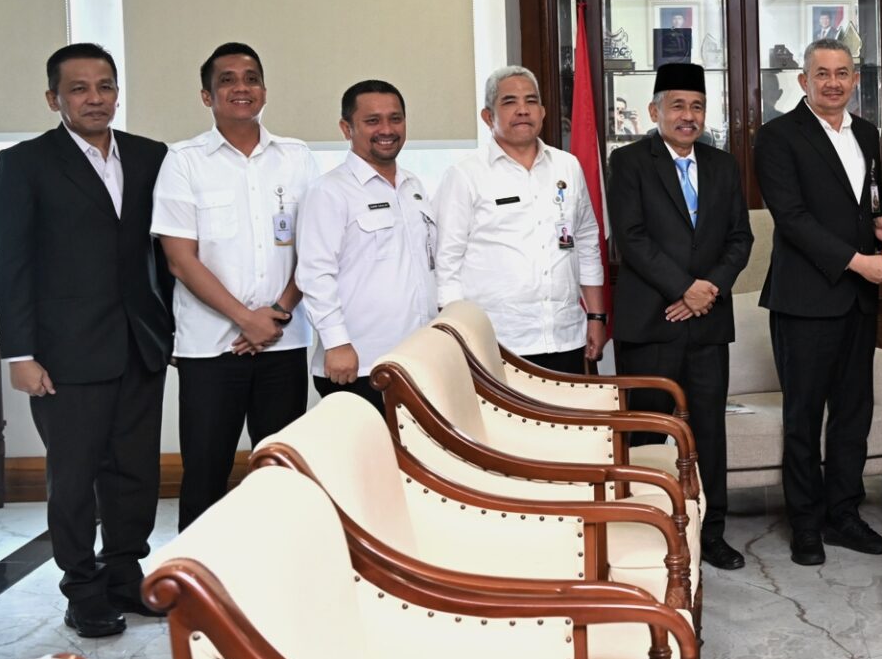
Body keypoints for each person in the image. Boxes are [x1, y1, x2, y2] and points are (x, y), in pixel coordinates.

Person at [0, 44, 173, 638]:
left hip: (139, 345)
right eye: (79, 89)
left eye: (105, 86)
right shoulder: (24, 163)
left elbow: (165, 252)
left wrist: (166, 329)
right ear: (54, 99)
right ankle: (82, 588)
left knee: (135, 472)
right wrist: (20, 354)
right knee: (73, 478)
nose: (95, 99)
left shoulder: (150, 156)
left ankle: (124, 574)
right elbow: (10, 264)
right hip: (64, 354)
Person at [153, 43, 317, 531]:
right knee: (206, 470)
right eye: (227, 80)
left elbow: (316, 247)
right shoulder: (183, 161)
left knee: (281, 469)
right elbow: (180, 260)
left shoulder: (297, 158)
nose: (241, 87)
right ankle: (197, 573)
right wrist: (246, 319)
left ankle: (278, 565)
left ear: (264, 90)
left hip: (283, 342)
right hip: (211, 349)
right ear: (207, 96)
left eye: (251, 78)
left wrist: (276, 315)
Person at [756, 39, 882, 565]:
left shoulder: (867, 133)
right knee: (802, 416)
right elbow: (793, 220)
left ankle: (844, 514)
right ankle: (805, 523)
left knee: (852, 414)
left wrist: (880, 224)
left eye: (842, 73)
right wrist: (859, 261)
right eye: (822, 74)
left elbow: (867, 203)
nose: (833, 83)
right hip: (805, 298)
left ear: (855, 80)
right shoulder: (777, 137)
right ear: (804, 81)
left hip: (858, 300)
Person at [605, 63, 753, 570]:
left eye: (697, 106)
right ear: (655, 111)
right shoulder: (628, 162)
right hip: (652, 323)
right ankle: (651, 534)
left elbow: (740, 238)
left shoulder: (722, 165)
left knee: (708, 433)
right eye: (677, 106)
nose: (688, 116)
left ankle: (712, 533)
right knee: (649, 433)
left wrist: (706, 290)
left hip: (708, 323)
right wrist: (684, 288)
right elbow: (631, 238)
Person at [433, 65, 607, 375]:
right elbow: (447, 261)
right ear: (488, 116)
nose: (523, 110)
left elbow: (586, 242)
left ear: (543, 112)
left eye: (531, 101)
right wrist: (455, 334)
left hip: (566, 335)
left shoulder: (567, 167)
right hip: (497, 342)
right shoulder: (465, 175)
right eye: (510, 101)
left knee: (570, 407)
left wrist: (596, 316)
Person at [295, 81, 437, 407]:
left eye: (395, 119)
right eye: (372, 121)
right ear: (347, 128)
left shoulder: (413, 186)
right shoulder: (329, 191)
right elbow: (315, 275)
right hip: (359, 364)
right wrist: (336, 343)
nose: (386, 129)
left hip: (418, 361)